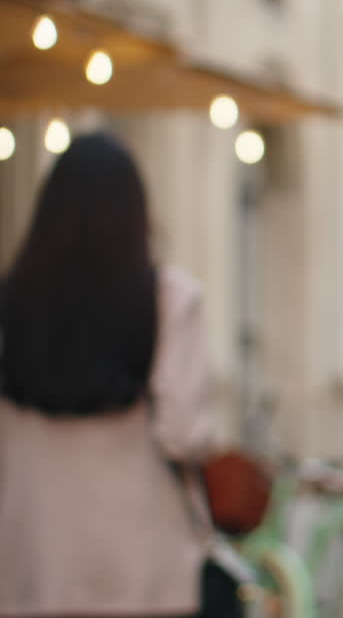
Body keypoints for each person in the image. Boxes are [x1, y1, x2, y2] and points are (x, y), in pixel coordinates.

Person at [0, 132, 215, 617]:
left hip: (31, 564)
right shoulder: (170, 300)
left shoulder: (10, 306)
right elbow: (185, 434)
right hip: (141, 568)